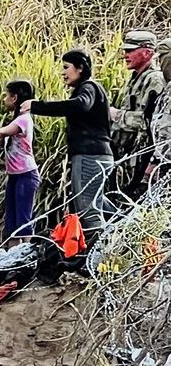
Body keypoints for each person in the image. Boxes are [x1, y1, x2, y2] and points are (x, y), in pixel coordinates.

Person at [20, 49, 112, 233]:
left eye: (66, 67)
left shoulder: (88, 87)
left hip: (89, 157)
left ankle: (100, 257)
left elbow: (80, 105)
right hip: (99, 155)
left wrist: (37, 105)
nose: (63, 72)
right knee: (100, 204)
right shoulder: (90, 88)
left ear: (80, 68)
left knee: (89, 212)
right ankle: (132, 227)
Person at [0, 80, 38, 245]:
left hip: (26, 175)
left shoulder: (23, 120)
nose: (4, 99)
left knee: (24, 220)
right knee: (12, 221)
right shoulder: (17, 119)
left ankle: (27, 253)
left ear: (15, 98)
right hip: (15, 175)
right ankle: (13, 256)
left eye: (7, 95)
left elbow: (0, 133)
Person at [110, 30, 165, 196]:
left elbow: (152, 121)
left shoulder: (155, 79)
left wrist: (116, 115)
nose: (125, 55)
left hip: (143, 158)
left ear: (148, 52)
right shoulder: (136, 78)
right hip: (129, 158)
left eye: (130, 50)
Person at [147, 38, 171, 180]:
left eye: (162, 58)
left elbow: (166, 128)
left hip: (166, 161)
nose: (160, 65)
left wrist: (156, 160)